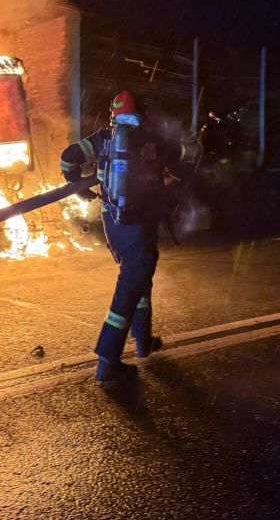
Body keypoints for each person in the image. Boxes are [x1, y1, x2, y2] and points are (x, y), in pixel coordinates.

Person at [60, 90, 186, 383]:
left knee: (138, 277)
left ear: (114, 113)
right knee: (131, 284)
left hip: (114, 222)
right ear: (141, 112)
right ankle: (108, 359)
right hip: (141, 224)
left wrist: (76, 185)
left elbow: (69, 158)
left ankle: (143, 341)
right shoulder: (154, 140)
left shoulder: (104, 139)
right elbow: (182, 153)